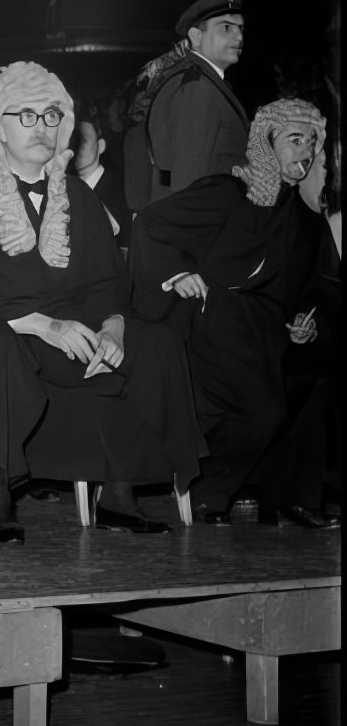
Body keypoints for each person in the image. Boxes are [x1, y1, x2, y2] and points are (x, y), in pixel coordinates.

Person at [0, 61, 205, 544]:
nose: (43, 128)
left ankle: (121, 492)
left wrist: (113, 327)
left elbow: (106, 283)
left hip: (71, 326)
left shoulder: (77, 196)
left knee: (155, 342)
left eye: (53, 116)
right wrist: (39, 324)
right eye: (27, 116)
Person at [129, 98, 335, 527]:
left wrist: (302, 321)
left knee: (295, 396)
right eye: (294, 139)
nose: (306, 151)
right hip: (214, 315)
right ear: (266, 142)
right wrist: (178, 272)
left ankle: (228, 491)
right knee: (261, 410)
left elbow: (305, 287)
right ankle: (205, 491)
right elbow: (150, 224)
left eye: (312, 142)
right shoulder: (226, 191)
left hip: (264, 331)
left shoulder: (303, 218)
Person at [141, 0, 250, 204]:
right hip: (203, 229)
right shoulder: (196, 89)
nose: (238, 36)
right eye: (226, 27)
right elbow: (187, 188)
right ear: (196, 36)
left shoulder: (207, 83)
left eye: (240, 27)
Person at [70, 109, 130, 249]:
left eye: (84, 141)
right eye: (73, 142)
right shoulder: (65, 187)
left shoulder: (120, 191)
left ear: (100, 146)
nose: (77, 148)